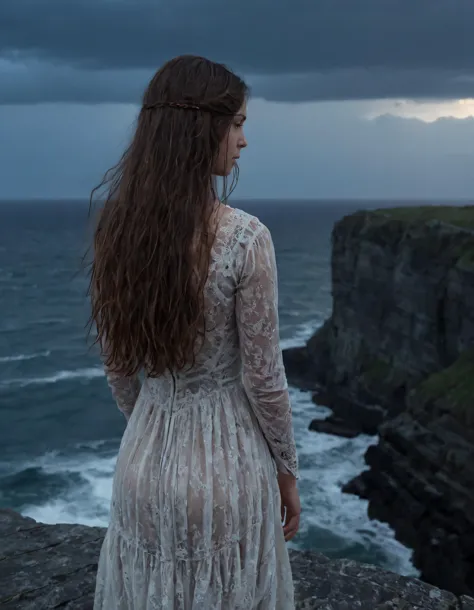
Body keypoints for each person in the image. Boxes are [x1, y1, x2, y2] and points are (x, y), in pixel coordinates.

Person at [89, 55, 300, 610]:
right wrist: (288, 471)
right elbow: (263, 377)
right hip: (228, 470)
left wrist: (155, 427)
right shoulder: (246, 238)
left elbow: (117, 365)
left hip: (141, 464)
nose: (243, 142)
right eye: (237, 124)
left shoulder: (118, 230)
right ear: (201, 128)